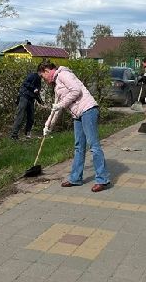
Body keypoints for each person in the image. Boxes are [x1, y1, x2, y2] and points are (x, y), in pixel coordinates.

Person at [37, 60, 110, 193]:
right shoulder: (56, 84)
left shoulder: (63, 74)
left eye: (43, 76)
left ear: (47, 71)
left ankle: (102, 179)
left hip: (88, 110)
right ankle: (75, 178)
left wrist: (61, 104)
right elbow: (56, 109)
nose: (44, 80)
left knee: (93, 146)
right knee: (78, 146)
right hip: (78, 115)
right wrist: (48, 126)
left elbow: (76, 90)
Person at [10, 71, 43, 140]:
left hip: (31, 99)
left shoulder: (39, 79)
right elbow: (25, 83)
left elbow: (36, 93)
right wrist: (34, 88)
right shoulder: (33, 75)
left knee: (31, 118)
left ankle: (27, 134)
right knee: (20, 116)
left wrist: (41, 102)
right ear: (41, 71)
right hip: (24, 97)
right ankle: (14, 135)